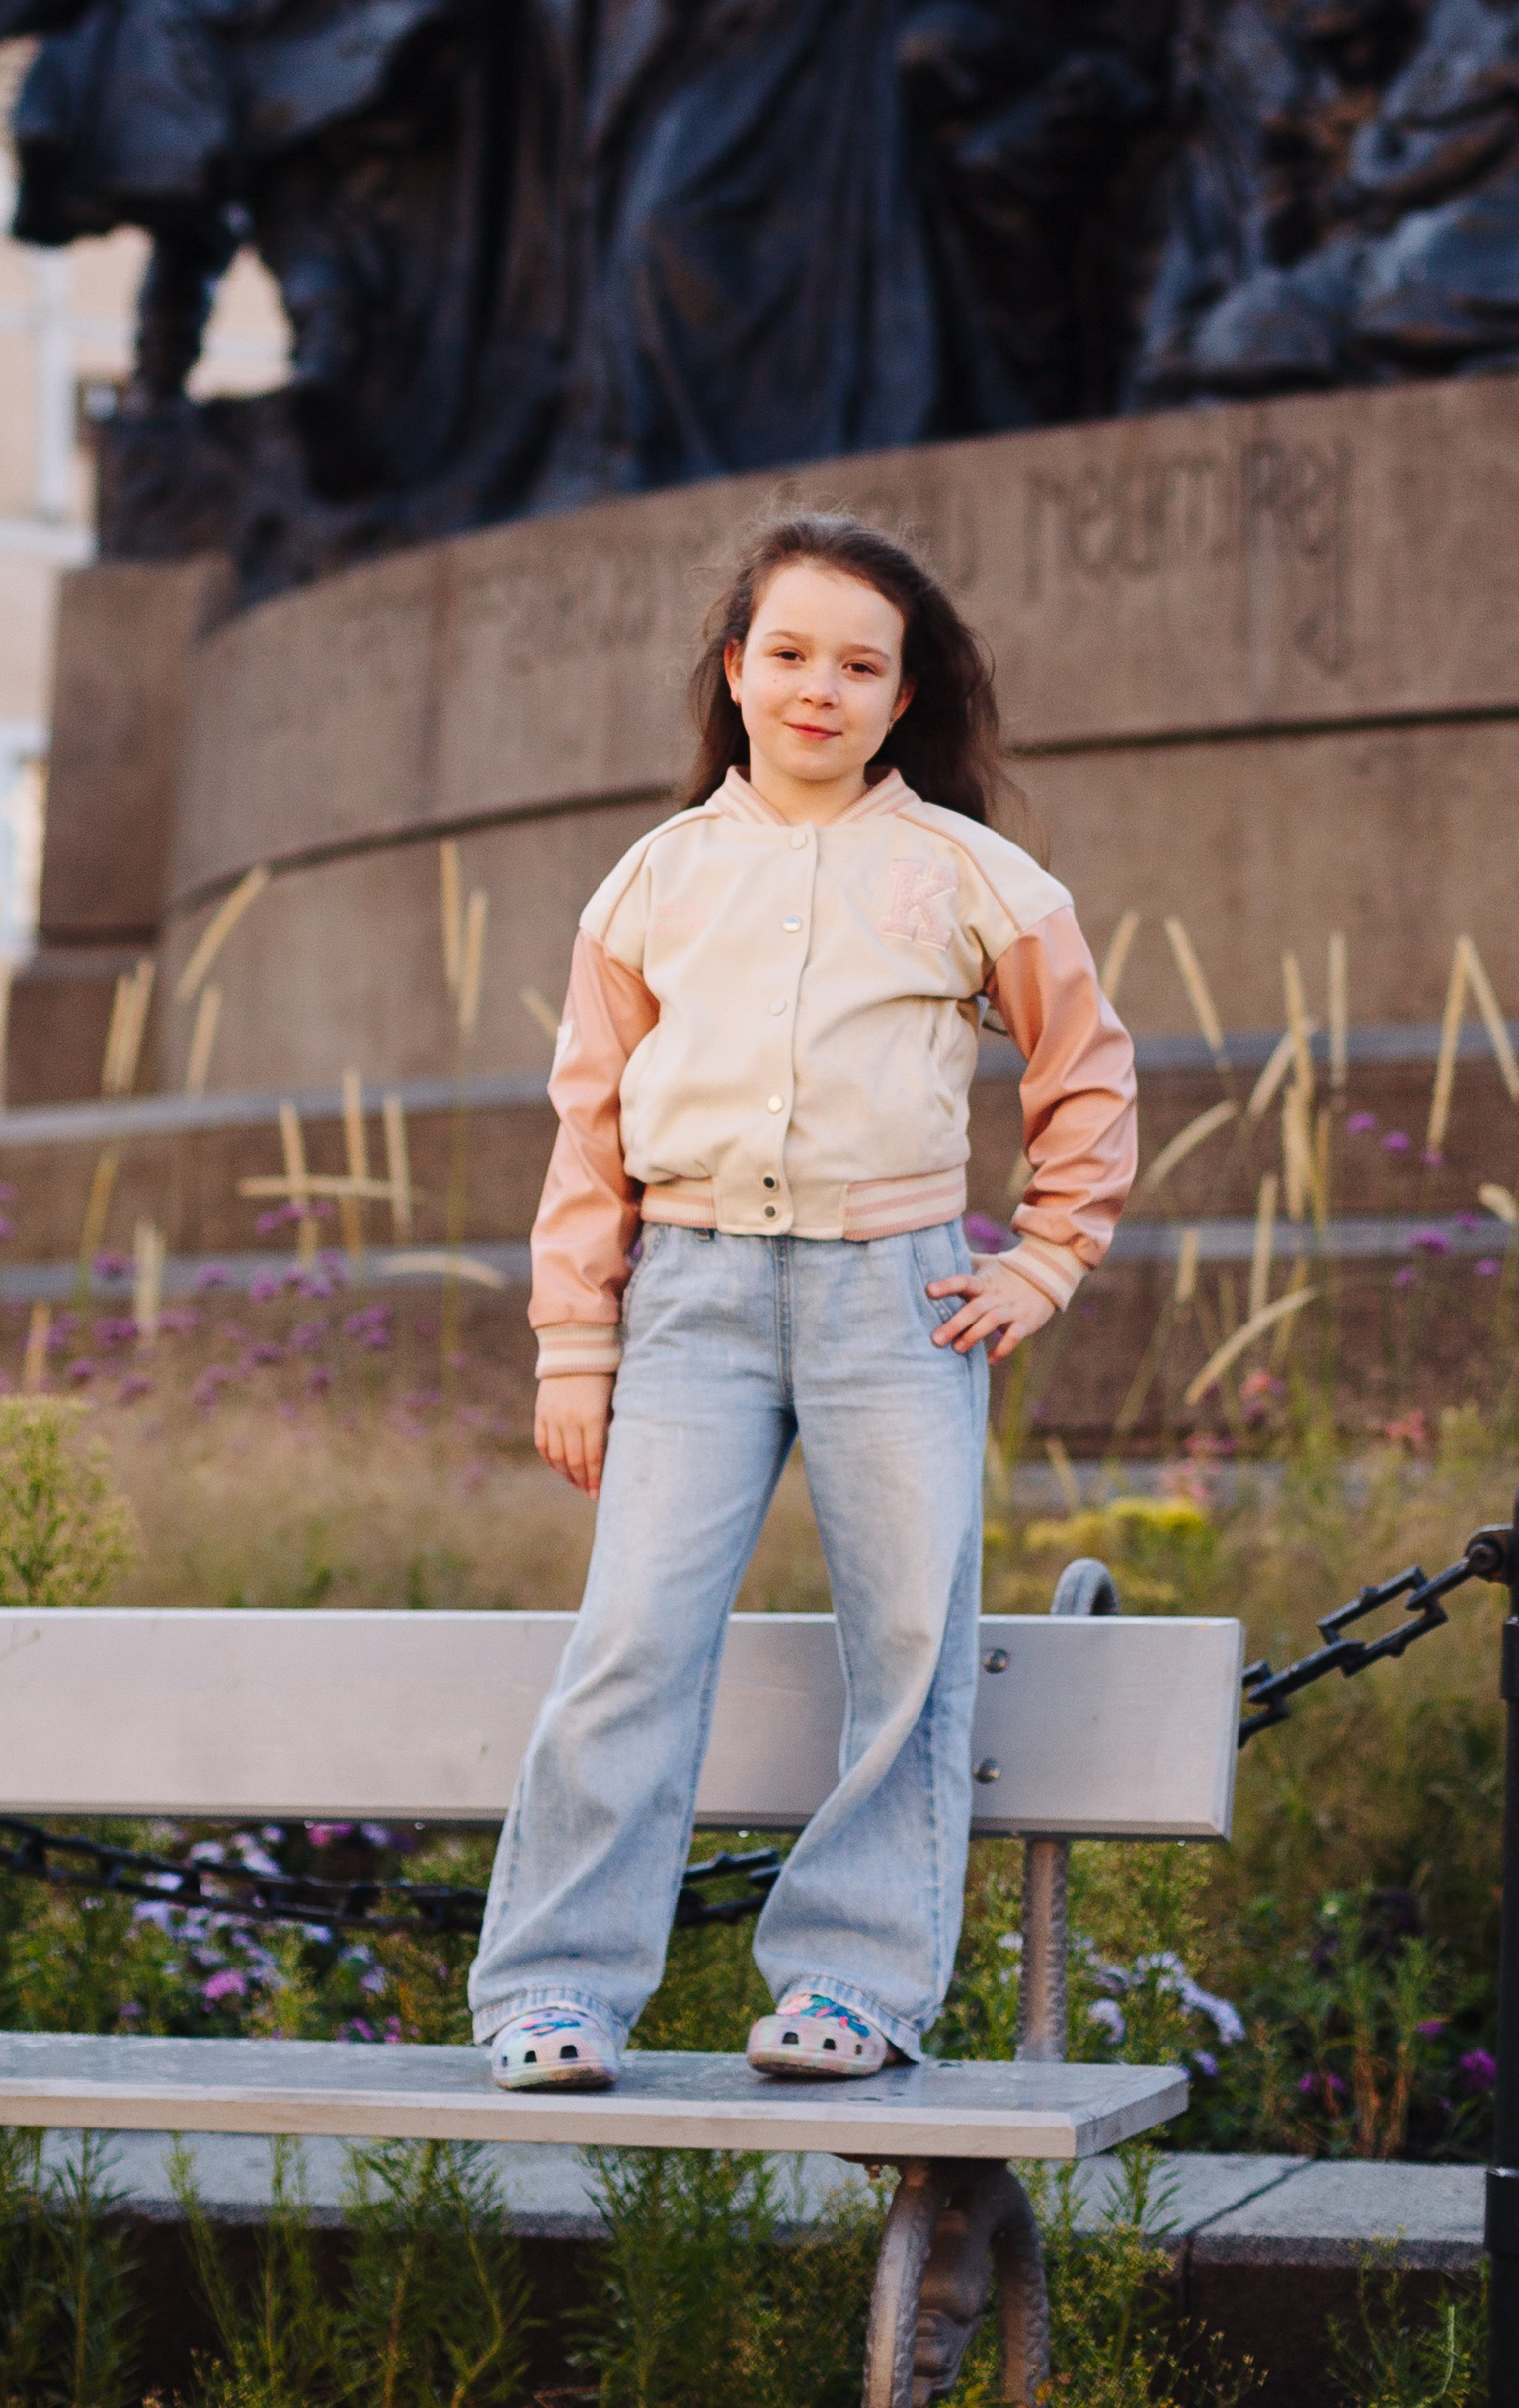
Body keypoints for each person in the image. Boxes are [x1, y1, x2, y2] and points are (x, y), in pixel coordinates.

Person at [468, 507, 1136, 2094]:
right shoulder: (654, 882)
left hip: (890, 1301)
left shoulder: (975, 878)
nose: (818, 688)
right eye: (788, 655)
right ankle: (555, 1990)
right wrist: (575, 1342)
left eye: (859, 665)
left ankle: (853, 1986)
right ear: (735, 670)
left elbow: (1084, 1072)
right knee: (633, 1635)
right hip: (686, 1303)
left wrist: (1046, 1254)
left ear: (904, 700)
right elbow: (590, 1124)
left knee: (908, 1640)